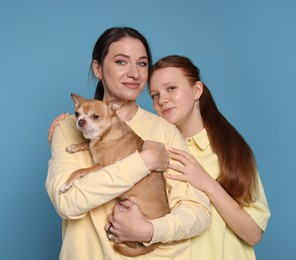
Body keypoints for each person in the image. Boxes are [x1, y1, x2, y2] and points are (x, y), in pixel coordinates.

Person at [46, 28, 211, 260]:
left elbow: (197, 213)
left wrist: (148, 231)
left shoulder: (164, 131)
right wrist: (144, 161)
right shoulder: (69, 128)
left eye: (142, 64)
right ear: (98, 68)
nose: (134, 73)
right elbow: (67, 202)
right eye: (121, 61)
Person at [106, 55, 271, 259]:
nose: (162, 100)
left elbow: (254, 234)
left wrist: (207, 184)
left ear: (196, 90)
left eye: (171, 88)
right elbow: (106, 159)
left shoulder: (232, 150)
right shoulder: (152, 149)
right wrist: (69, 126)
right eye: (155, 95)